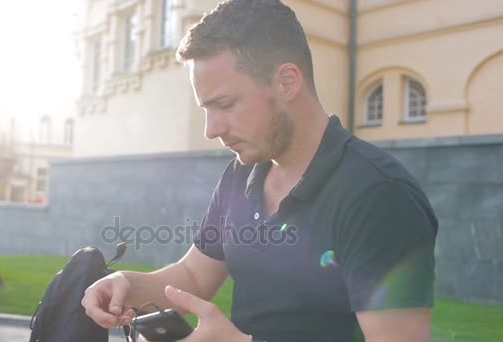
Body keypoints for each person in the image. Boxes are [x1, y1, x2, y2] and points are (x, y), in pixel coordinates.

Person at [82, 0, 438, 341]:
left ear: (287, 82)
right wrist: (128, 285)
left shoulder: (380, 194)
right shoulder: (240, 175)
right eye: (206, 108)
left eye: (224, 104)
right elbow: (193, 275)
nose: (211, 129)